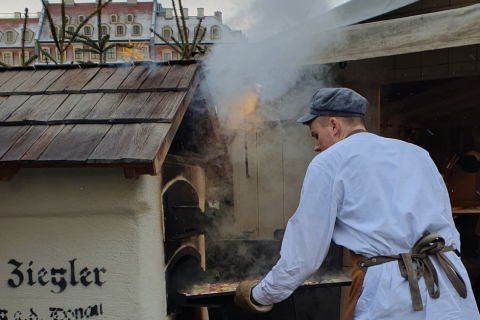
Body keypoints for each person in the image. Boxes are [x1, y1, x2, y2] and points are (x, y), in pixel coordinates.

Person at [233, 88, 480, 320]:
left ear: (333, 124)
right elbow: (450, 232)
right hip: (450, 288)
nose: (316, 146)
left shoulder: (329, 162)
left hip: (393, 295)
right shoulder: (418, 154)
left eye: (315, 135)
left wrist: (260, 295)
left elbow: (304, 255)